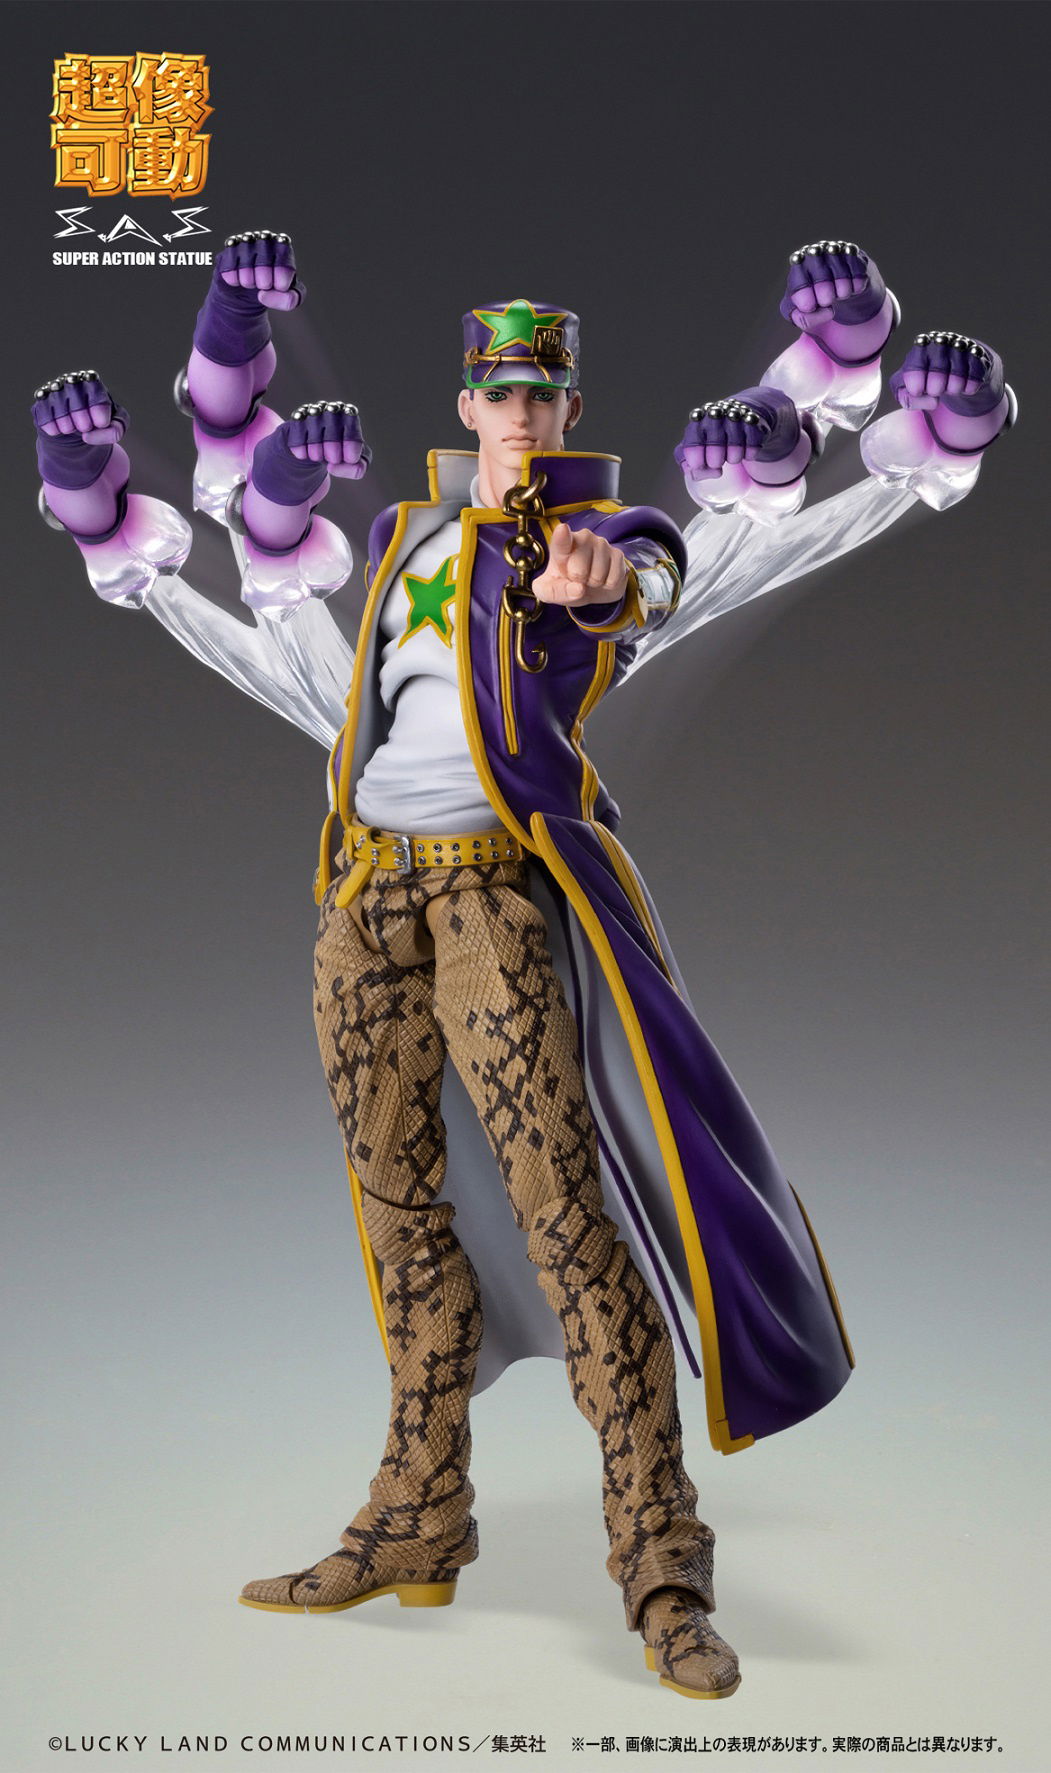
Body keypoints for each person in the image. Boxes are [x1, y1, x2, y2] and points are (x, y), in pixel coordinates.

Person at [32, 234, 1014, 1701]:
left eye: (541, 396)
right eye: (500, 393)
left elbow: (647, 577)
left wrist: (603, 579)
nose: (520, 415)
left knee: (569, 1219)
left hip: (494, 896)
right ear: (468, 402)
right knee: (398, 1216)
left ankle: (662, 1563)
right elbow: (344, 667)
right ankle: (418, 1514)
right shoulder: (408, 540)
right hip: (366, 896)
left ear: (567, 410)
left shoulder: (594, 527)